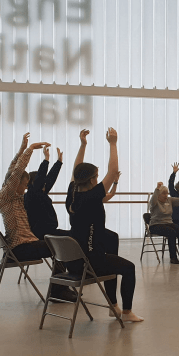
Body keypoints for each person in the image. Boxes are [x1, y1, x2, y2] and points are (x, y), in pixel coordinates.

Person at [65, 128, 143, 322]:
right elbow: (113, 171)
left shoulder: (73, 194)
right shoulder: (91, 197)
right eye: (97, 176)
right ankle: (126, 313)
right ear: (92, 180)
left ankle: (112, 305)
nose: (99, 179)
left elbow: (77, 168)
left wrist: (83, 145)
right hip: (89, 262)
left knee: (111, 237)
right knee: (129, 268)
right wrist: (113, 143)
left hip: (73, 261)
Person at [0, 133, 75, 302]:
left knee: (59, 243)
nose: (25, 189)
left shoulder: (12, 198)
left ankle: (60, 288)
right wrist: (30, 149)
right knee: (60, 247)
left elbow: (12, 171)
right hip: (20, 248)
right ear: (16, 184)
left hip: (25, 244)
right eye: (23, 185)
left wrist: (22, 148)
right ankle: (58, 291)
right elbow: (15, 173)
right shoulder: (6, 198)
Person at [24, 145, 69, 240]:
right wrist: (46, 160)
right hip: (44, 234)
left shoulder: (39, 194)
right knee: (76, 236)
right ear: (33, 183)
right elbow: (41, 179)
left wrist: (58, 163)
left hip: (47, 231)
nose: (45, 185)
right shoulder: (33, 195)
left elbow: (50, 179)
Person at [149, 181, 179, 264]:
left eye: (167, 193)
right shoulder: (155, 202)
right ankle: (173, 258)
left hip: (168, 223)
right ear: (158, 194)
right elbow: (152, 200)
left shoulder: (169, 200)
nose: (166, 195)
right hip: (156, 225)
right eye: (163, 194)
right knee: (172, 232)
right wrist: (157, 189)